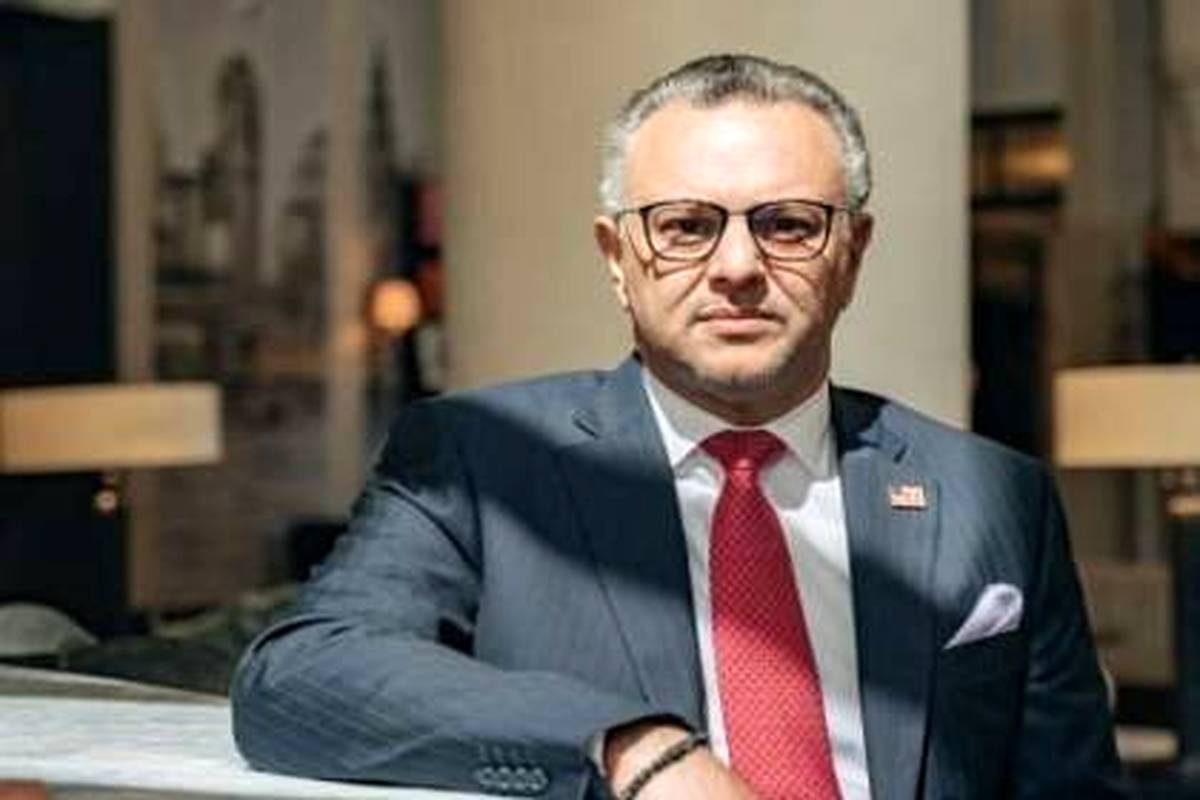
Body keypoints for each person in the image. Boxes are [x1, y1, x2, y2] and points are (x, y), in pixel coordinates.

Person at [232, 54, 1125, 799]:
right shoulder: (479, 458)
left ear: (851, 256)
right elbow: (301, 678)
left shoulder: (990, 494)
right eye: (687, 226)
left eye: (788, 225)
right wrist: (629, 746)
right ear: (618, 259)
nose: (737, 266)